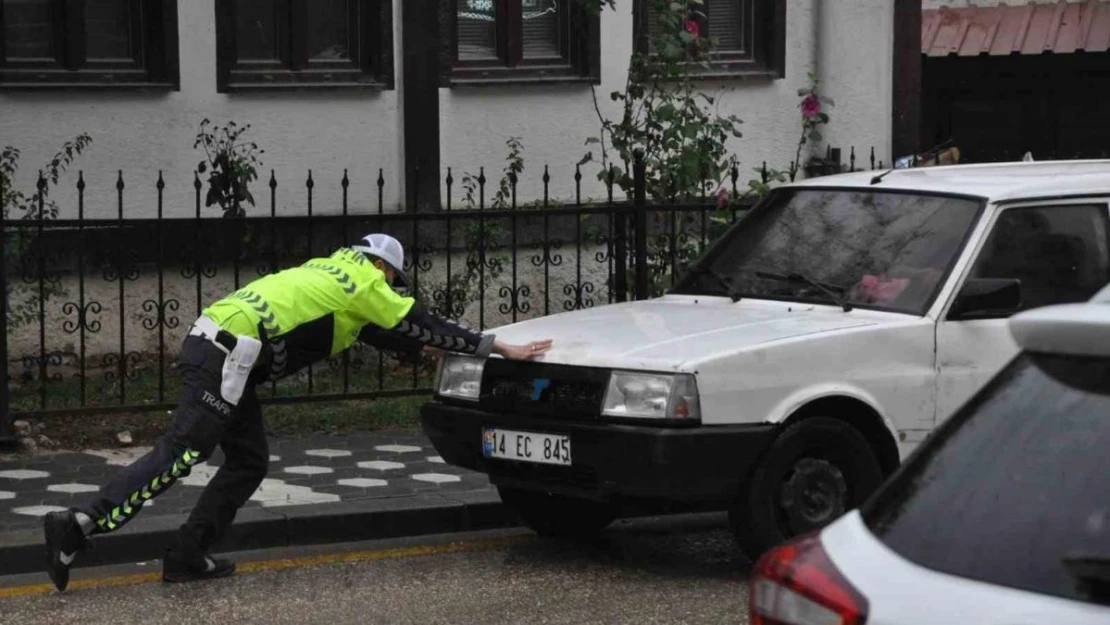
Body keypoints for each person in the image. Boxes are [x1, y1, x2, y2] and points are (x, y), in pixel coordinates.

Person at [43, 233, 552, 591]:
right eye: (394, 279)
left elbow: (391, 333)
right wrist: (493, 346)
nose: (393, 287)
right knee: (181, 452)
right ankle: (80, 523)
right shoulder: (365, 280)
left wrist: (431, 350)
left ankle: (185, 556)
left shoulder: (330, 275)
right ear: (383, 268)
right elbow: (416, 319)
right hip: (228, 353)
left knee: (248, 460)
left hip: (224, 349)